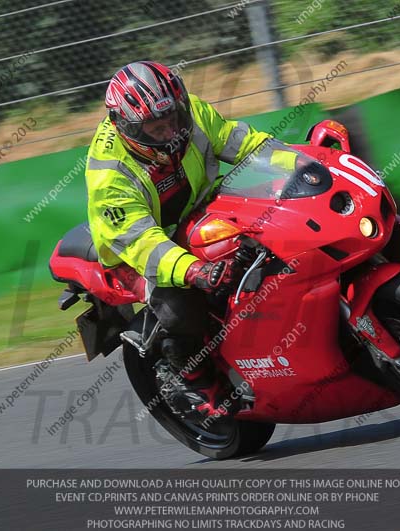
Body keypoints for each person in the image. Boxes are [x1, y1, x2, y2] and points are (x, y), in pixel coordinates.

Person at [85, 61, 270, 421]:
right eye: (156, 127)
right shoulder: (111, 175)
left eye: (173, 117)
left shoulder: (190, 112)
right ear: (126, 127)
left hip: (193, 213)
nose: (170, 130)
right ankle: (195, 379)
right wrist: (195, 270)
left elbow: (243, 143)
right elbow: (145, 245)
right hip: (134, 252)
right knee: (180, 302)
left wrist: (304, 162)